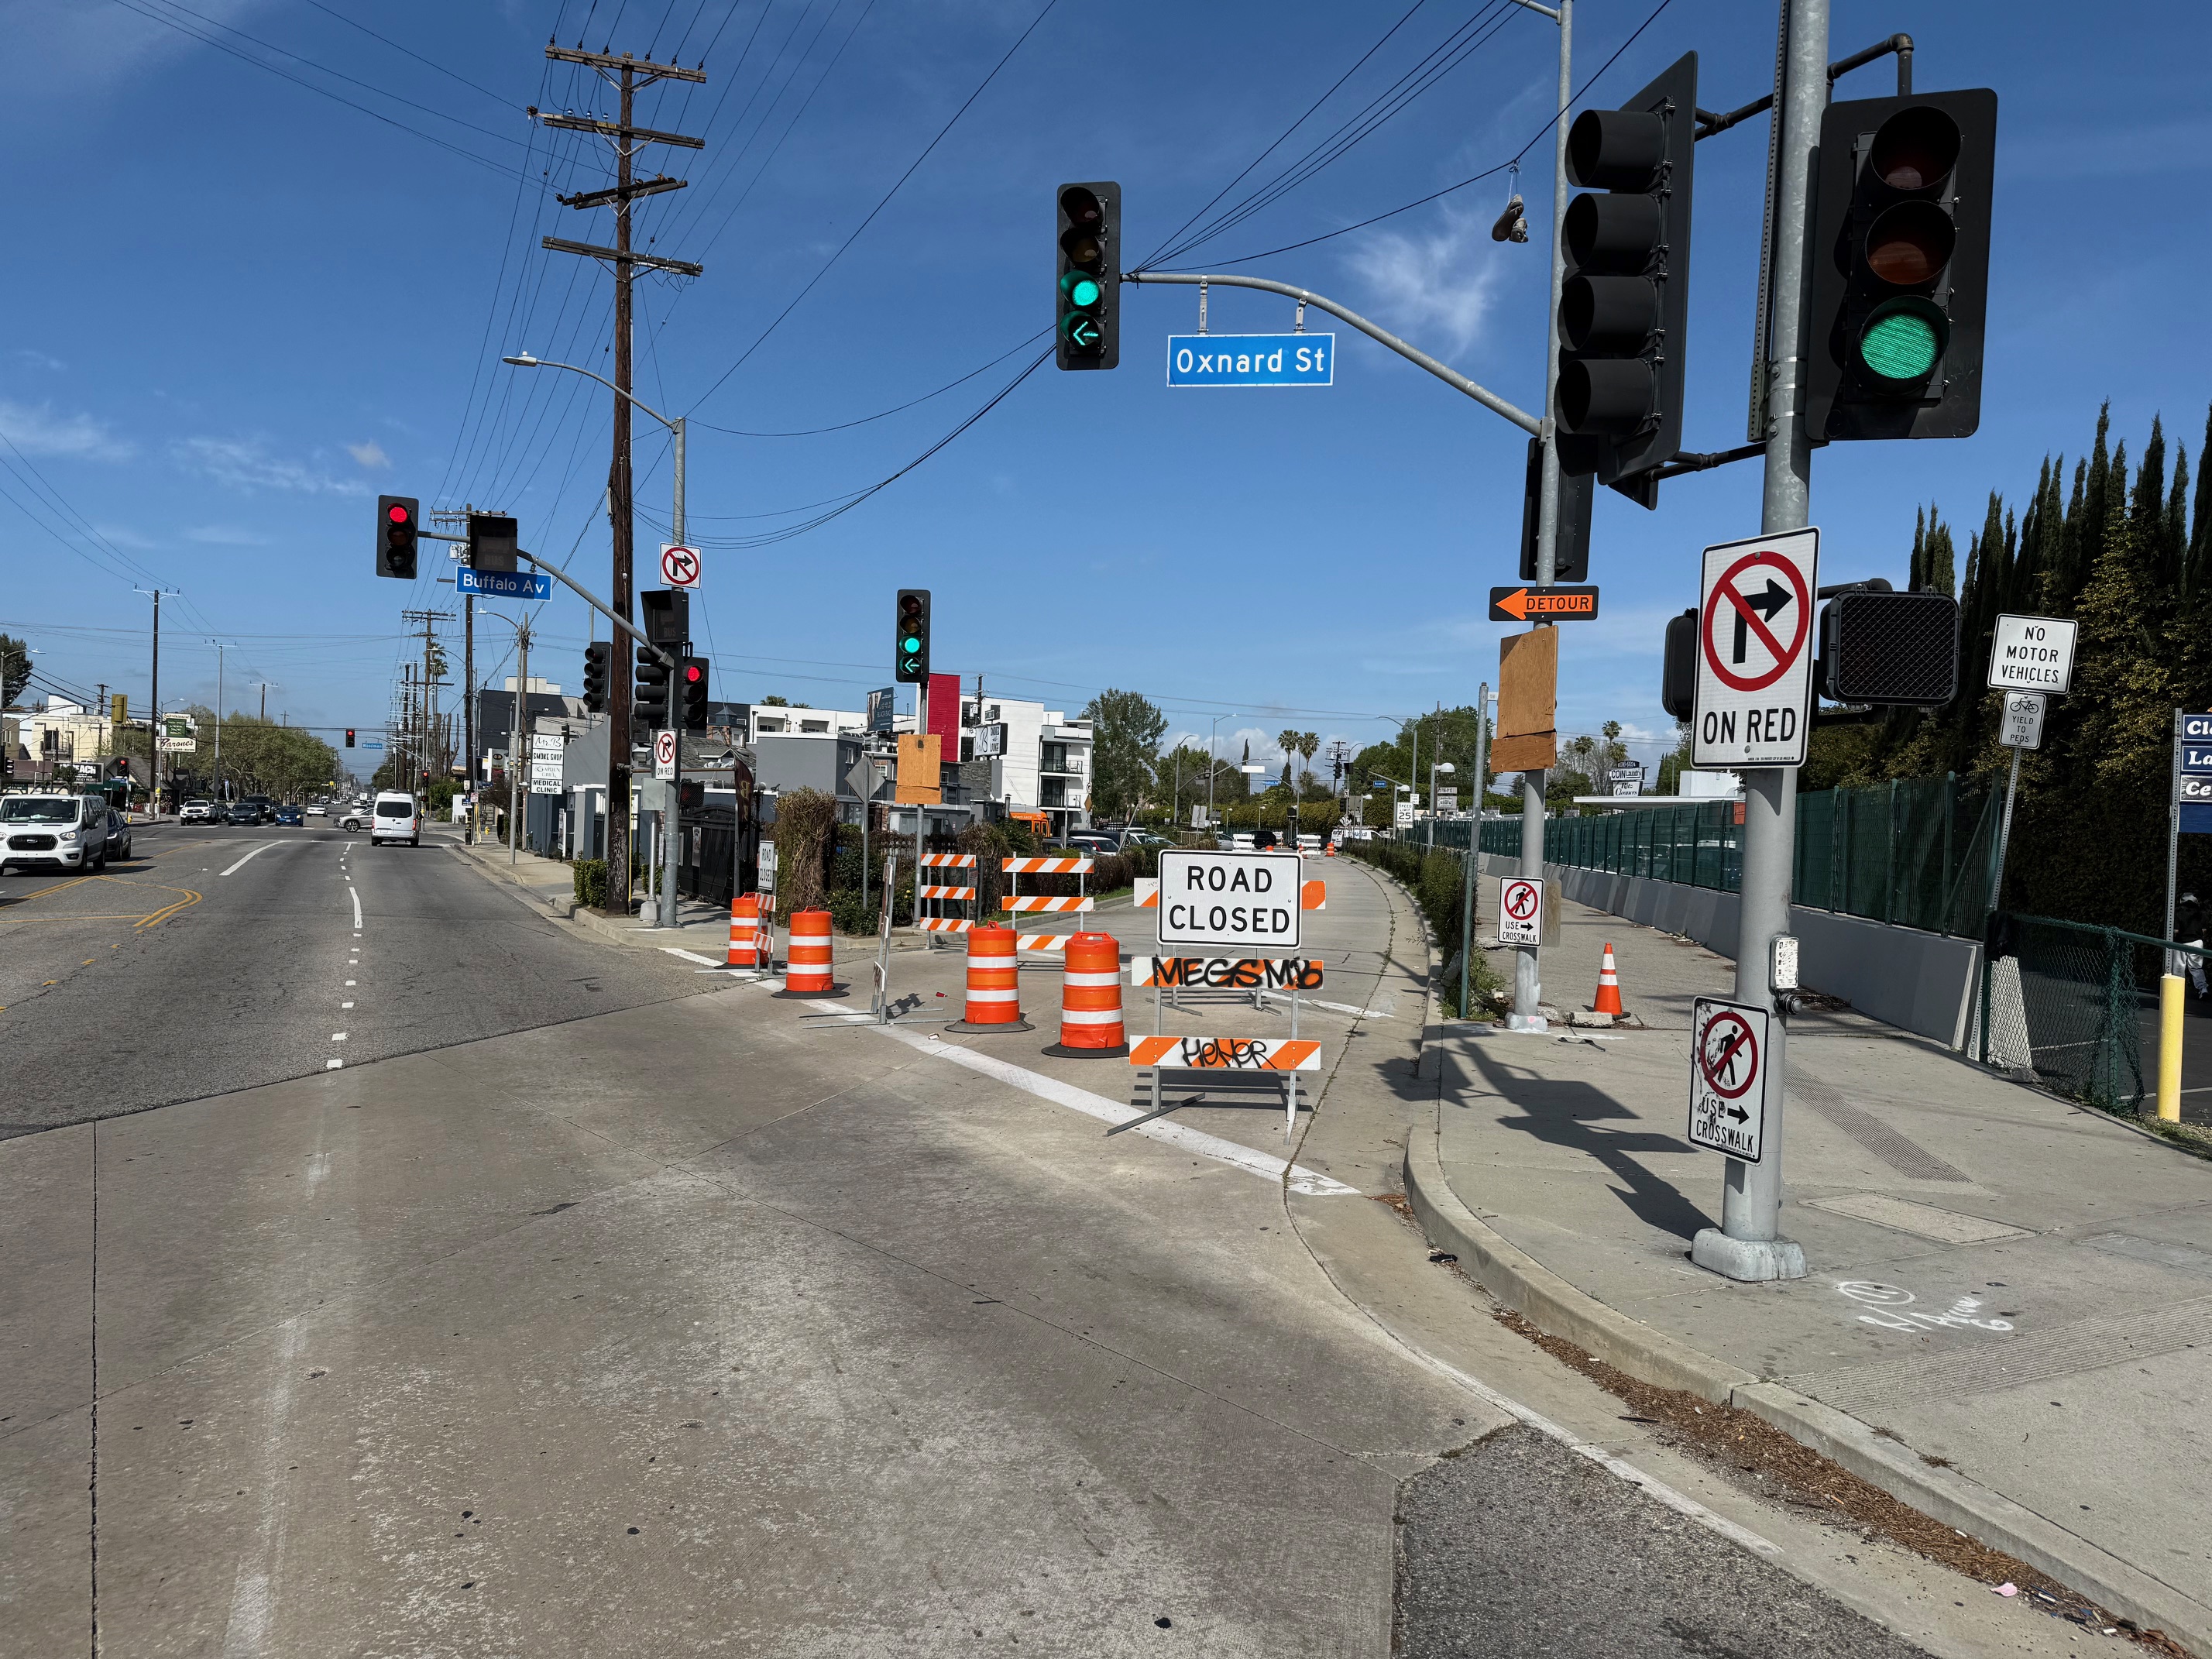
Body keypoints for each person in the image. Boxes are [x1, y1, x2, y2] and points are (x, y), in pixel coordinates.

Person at [2175, 891, 2207, 997]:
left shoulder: (2178, 911)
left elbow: (2175, 930)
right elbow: (2204, 930)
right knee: (2196, 967)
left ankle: (2177, 991)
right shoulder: (2200, 912)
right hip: (2197, 942)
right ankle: (2203, 989)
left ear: (2181, 901)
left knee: (2179, 967)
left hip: (2182, 942)